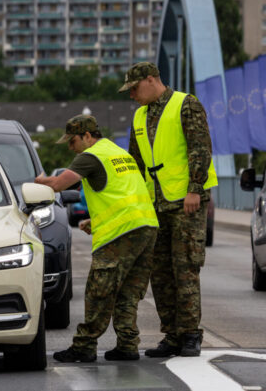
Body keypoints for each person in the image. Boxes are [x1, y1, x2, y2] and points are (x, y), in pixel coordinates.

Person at [35, 115, 159, 363]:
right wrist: (97, 220)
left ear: (88, 136)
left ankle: (84, 346)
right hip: (145, 227)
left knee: (98, 291)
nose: (71, 147)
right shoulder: (118, 152)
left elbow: (58, 184)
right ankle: (127, 344)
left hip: (121, 233)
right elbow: (123, 192)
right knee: (127, 292)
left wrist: (37, 181)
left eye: (73, 141)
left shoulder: (90, 156)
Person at [121, 62, 218, 358]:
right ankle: (172, 335)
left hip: (185, 202)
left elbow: (199, 148)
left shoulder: (185, 104)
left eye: (135, 89)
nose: (132, 96)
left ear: (151, 80)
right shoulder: (140, 115)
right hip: (155, 204)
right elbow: (135, 164)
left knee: (185, 267)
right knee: (160, 273)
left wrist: (194, 189)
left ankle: (190, 334)